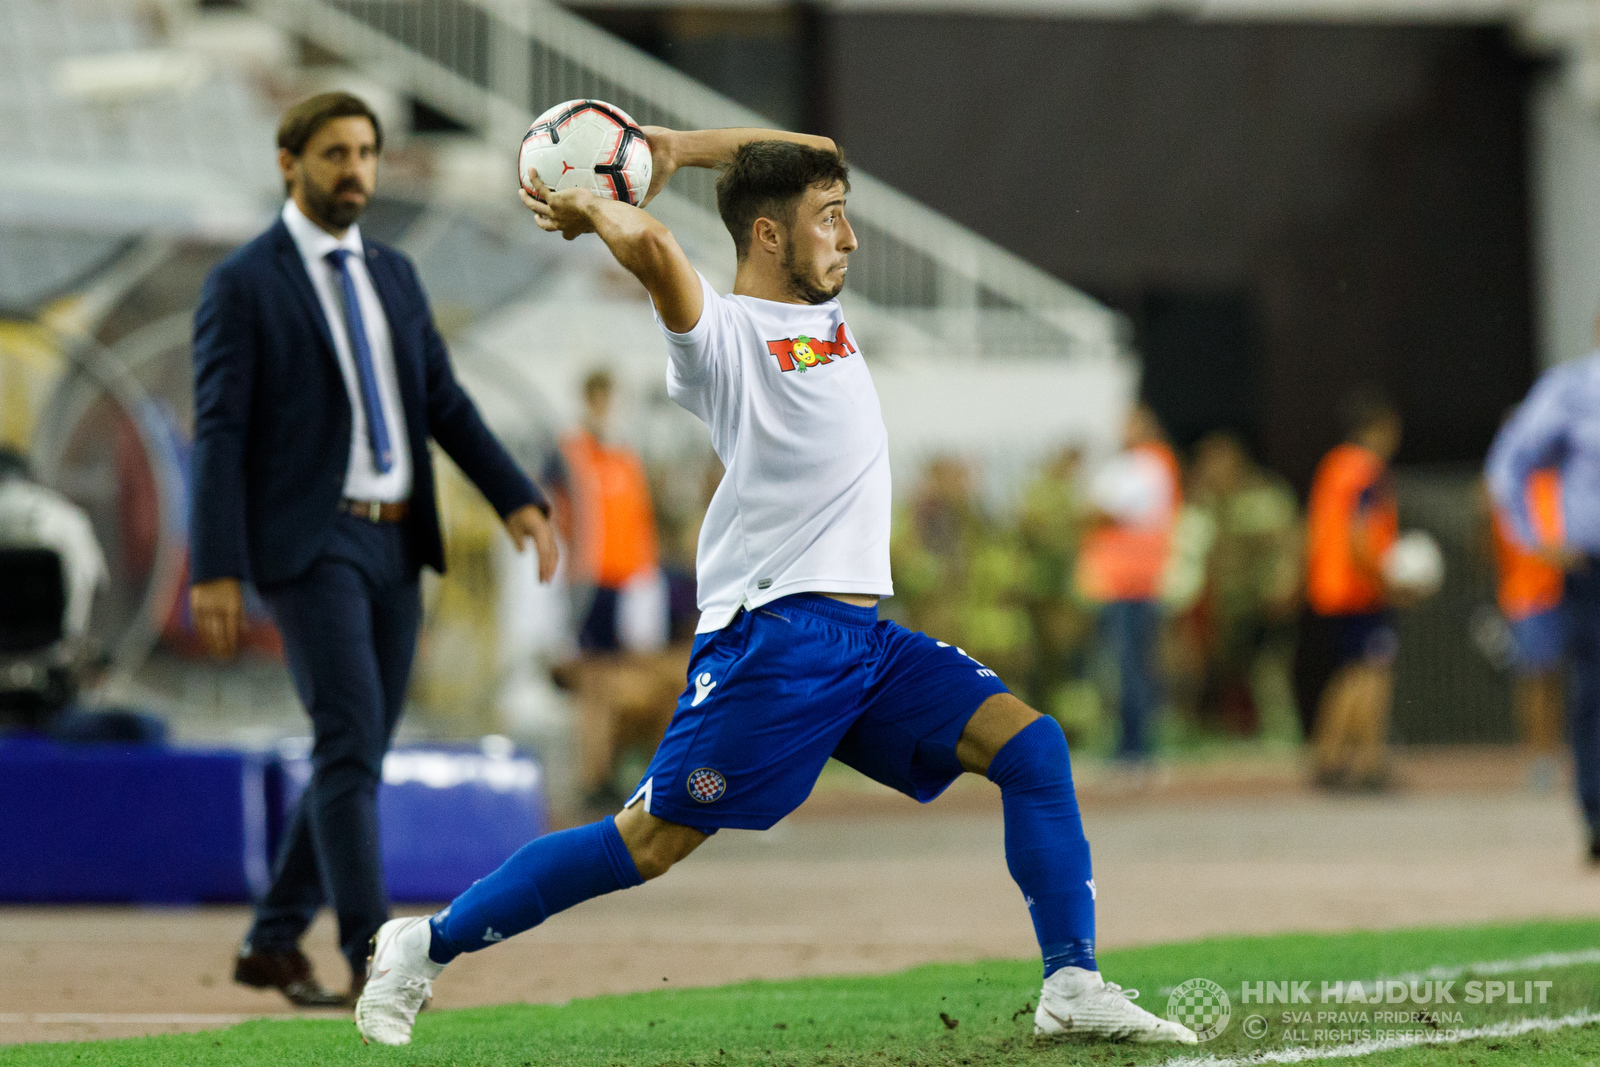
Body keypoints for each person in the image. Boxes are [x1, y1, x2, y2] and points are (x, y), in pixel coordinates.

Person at [355, 129, 1196, 1046]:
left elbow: (812, 146)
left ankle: (1072, 981)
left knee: (1032, 748)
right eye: (830, 221)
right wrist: (594, 196)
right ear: (766, 236)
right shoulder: (723, 339)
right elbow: (659, 249)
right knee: (648, 842)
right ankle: (421, 946)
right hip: (773, 643)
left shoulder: (819, 308)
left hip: (863, 643)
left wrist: (670, 147)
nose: (850, 238)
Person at [189, 92, 558, 1006]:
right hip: (310, 542)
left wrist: (516, 494)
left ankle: (274, 939)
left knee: (356, 749)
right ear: (289, 163)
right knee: (350, 736)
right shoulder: (243, 282)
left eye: (365, 153)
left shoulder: (393, 273)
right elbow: (220, 431)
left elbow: (443, 400)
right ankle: (373, 952)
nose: (354, 170)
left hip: (398, 541)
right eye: (333, 153)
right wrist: (215, 564)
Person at [1487, 362, 1600, 863]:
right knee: (1556, 678)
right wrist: (1535, 543)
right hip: (1560, 580)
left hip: (1554, 583)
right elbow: (1501, 475)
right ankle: (1563, 779)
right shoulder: (1572, 395)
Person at [557, 369, 679, 806]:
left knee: (621, 682)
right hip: (591, 581)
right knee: (594, 683)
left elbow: (639, 519)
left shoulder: (624, 457)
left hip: (627, 582)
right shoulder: (571, 455)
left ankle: (606, 769)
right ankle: (592, 773)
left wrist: (645, 576)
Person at [1303, 389, 1402, 790]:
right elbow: (1361, 533)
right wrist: (1385, 579)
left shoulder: (1335, 465)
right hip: (1361, 589)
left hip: (1331, 587)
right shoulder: (1366, 469)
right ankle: (1369, 761)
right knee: (1373, 672)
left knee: (1347, 672)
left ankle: (1327, 756)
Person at [1075, 404, 1181, 764]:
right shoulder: (1138, 464)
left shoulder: (1148, 463)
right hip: (1124, 583)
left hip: (1133, 583)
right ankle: (1132, 742)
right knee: (1129, 667)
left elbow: (1101, 509)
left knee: (1130, 668)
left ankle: (1135, 746)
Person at [1484, 469, 1566, 792]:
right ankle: (1538, 755)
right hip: (1527, 596)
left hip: (1558, 593)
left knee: (1552, 678)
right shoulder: (1509, 487)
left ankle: (1551, 752)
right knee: (1534, 677)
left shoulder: (1554, 481)